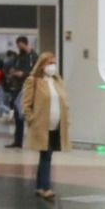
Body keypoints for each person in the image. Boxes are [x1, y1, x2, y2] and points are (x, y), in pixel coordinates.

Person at [22, 52, 68, 200]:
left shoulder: (57, 81)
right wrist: (31, 119)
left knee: (46, 156)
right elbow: (26, 103)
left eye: (54, 62)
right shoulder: (33, 81)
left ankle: (40, 185)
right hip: (41, 125)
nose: (52, 66)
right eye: (49, 63)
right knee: (46, 155)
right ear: (42, 65)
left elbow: (63, 102)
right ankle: (46, 188)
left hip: (56, 125)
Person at [4, 35, 37, 147]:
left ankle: (35, 140)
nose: (18, 47)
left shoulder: (33, 56)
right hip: (18, 88)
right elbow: (14, 67)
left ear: (24, 44)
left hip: (28, 88)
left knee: (30, 113)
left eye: (19, 45)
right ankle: (18, 141)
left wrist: (23, 74)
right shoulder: (19, 57)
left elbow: (35, 71)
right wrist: (14, 72)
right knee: (18, 114)